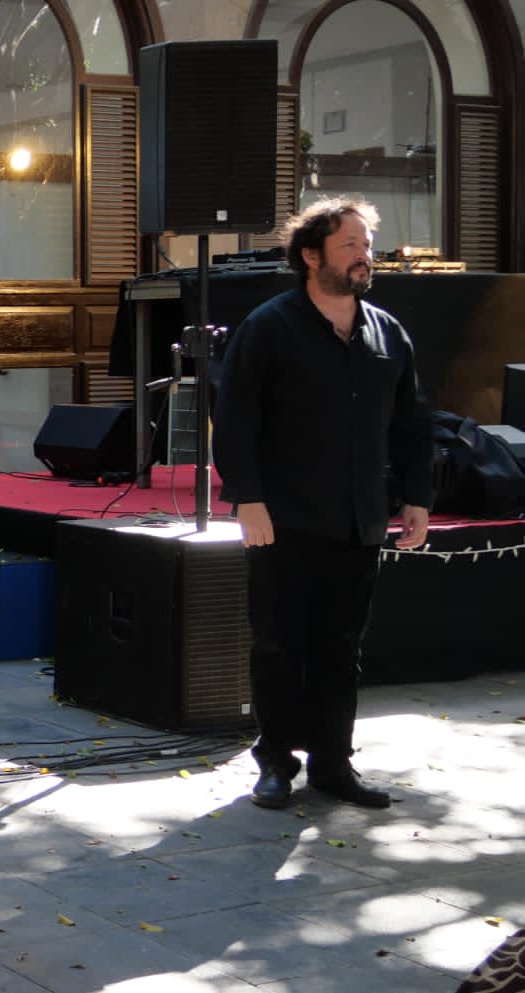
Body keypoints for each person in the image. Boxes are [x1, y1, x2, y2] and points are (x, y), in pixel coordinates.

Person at [214, 197, 430, 811]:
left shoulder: (387, 331)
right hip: (283, 519)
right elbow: (233, 422)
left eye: (367, 245)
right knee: (279, 643)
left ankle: (334, 764)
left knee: (341, 647)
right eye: (351, 246)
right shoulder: (269, 326)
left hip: (359, 517)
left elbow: (413, 423)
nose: (366, 257)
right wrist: (247, 500)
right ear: (311, 256)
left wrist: (416, 496)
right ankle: (276, 762)